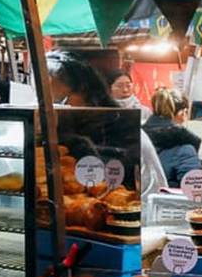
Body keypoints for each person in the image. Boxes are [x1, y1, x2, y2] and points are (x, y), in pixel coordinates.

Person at [47, 52, 168, 198]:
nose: (54, 108)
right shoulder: (53, 137)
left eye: (60, 101)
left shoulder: (127, 136)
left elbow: (153, 195)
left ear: (86, 92)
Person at [145, 88, 202, 186]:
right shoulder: (185, 150)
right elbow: (195, 188)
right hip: (164, 200)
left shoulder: (139, 138)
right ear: (183, 113)